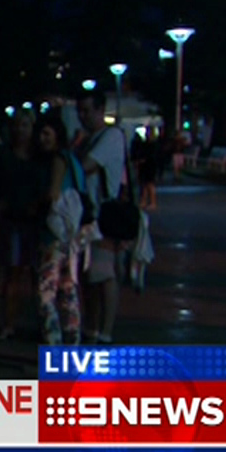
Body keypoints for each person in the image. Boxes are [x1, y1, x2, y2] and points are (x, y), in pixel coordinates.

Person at [0, 109, 46, 340]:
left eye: (25, 125)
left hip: (37, 222)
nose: (20, 130)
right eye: (17, 125)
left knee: (40, 276)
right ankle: (8, 323)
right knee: (13, 274)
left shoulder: (40, 156)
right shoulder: (4, 155)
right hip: (13, 220)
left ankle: (44, 324)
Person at [74, 89, 126, 344]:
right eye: (80, 111)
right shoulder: (89, 139)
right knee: (89, 276)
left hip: (104, 216)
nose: (83, 116)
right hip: (88, 217)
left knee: (104, 275)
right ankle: (92, 328)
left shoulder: (111, 136)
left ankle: (105, 331)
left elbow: (84, 167)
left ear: (100, 110)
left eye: (87, 110)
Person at [35, 115, 86, 345]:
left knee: (46, 292)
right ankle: (72, 343)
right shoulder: (73, 159)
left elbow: (52, 194)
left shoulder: (57, 159)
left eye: (47, 133)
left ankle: (54, 345)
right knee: (68, 290)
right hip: (71, 236)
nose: (42, 138)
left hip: (53, 235)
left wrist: (34, 205)